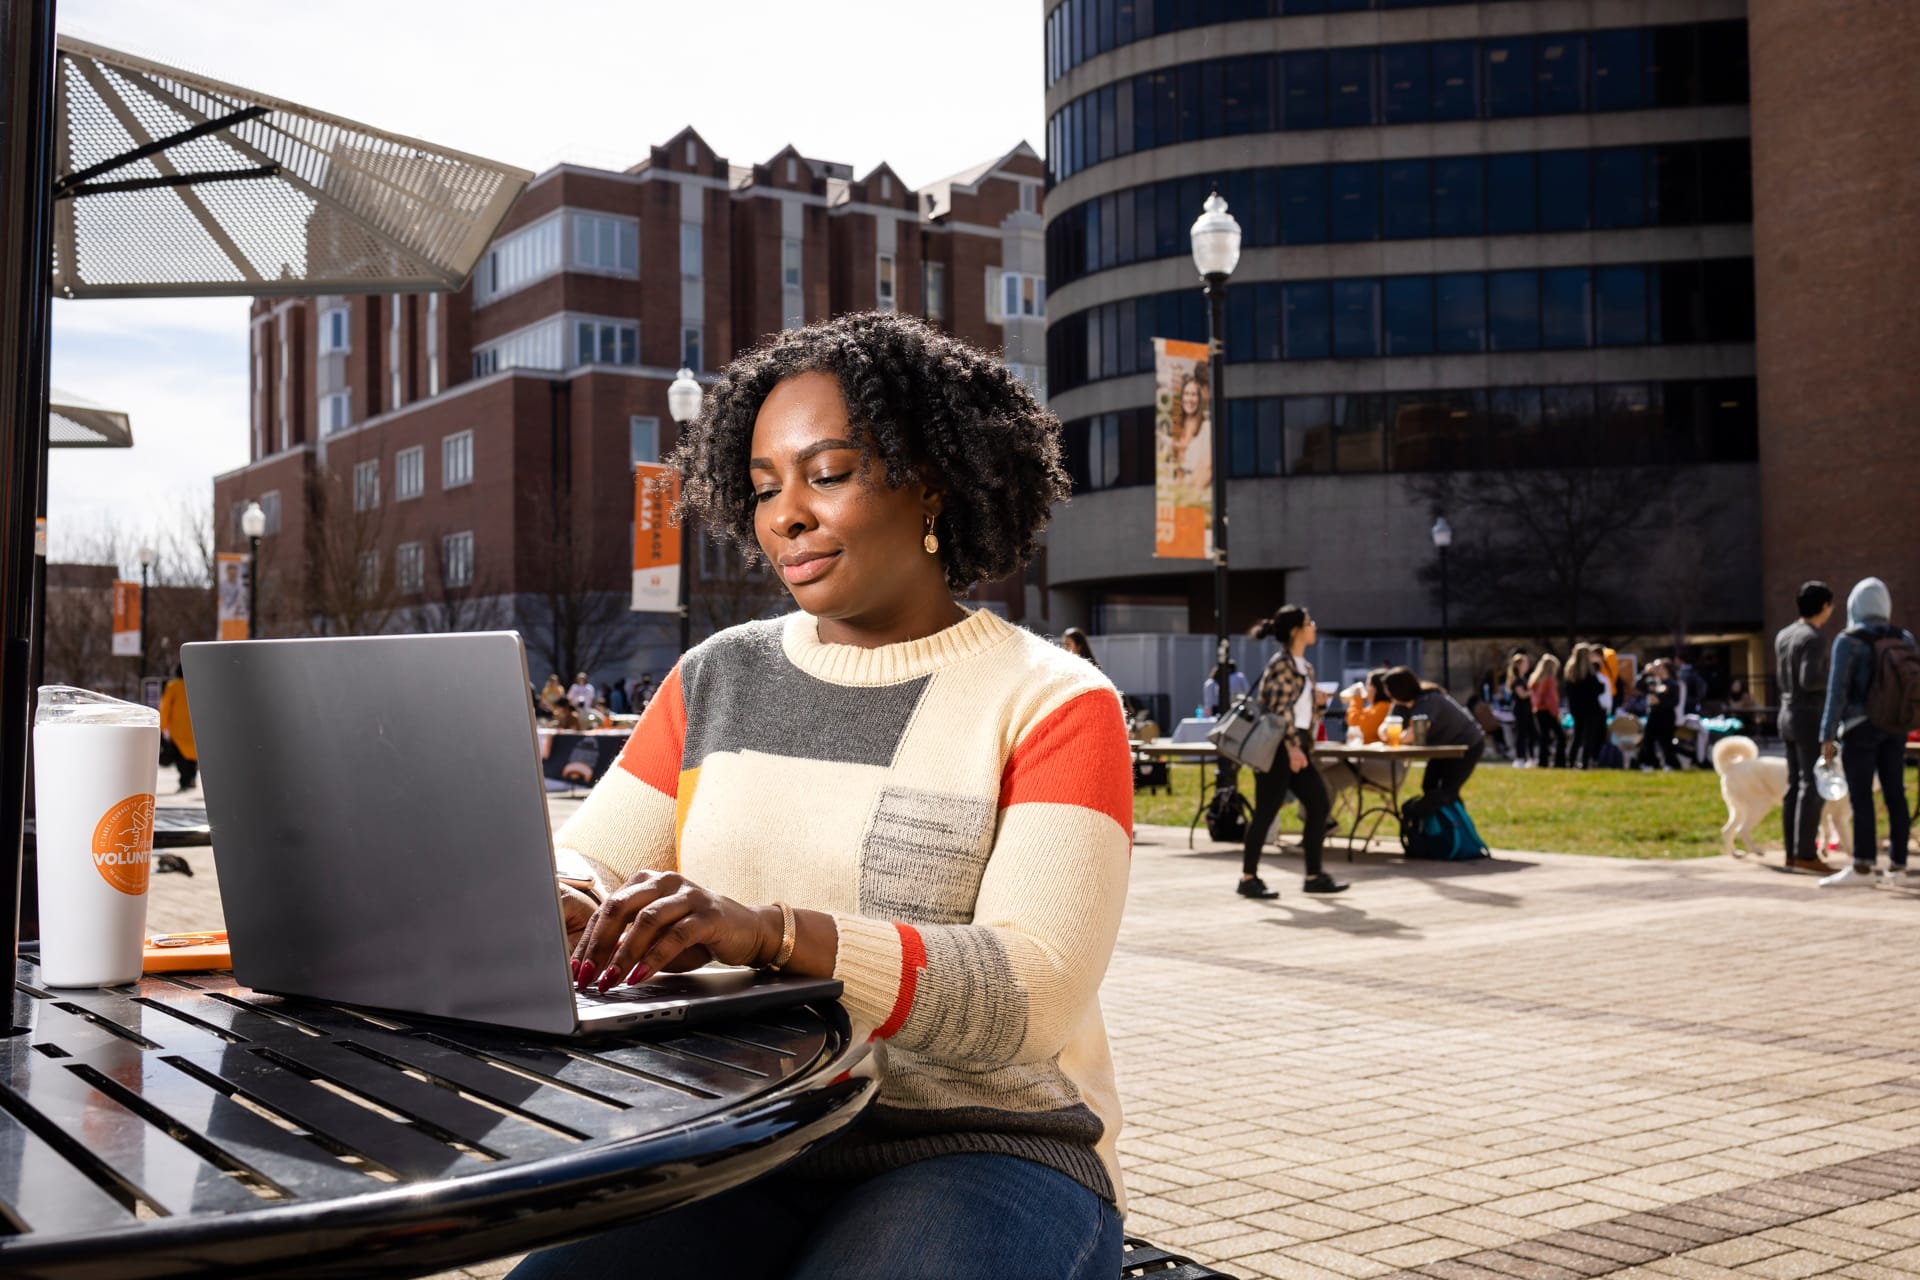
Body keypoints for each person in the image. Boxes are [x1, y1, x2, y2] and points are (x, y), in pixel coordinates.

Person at [515, 313, 1128, 1279]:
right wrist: (566, 896)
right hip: (734, 1134)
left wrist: (772, 932)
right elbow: (590, 851)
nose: (783, 516)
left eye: (826, 474)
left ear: (931, 480)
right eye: (763, 489)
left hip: (972, 1146)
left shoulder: (1052, 700)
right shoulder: (716, 676)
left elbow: (1033, 990)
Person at [1238, 605, 1345, 899]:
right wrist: (1293, 747)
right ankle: (1248, 878)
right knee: (1267, 811)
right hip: (1278, 748)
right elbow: (1278, 712)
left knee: (1319, 805)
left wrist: (1319, 703)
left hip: (1297, 745)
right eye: (1309, 622)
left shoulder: (1305, 667)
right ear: (1297, 630)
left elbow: (1300, 714)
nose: (1314, 626)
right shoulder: (1281, 665)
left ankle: (1314, 875)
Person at [1816, 577, 1916, 889]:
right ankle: (1898, 865)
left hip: (1860, 727)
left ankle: (1863, 865)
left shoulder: (1849, 640)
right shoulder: (1905, 637)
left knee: (1862, 798)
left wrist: (1827, 735)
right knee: (1895, 794)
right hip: (1896, 725)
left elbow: (1837, 693)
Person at [1775, 581, 1835, 874]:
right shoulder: (1814, 637)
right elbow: (1810, 679)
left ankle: (1791, 852)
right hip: (1808, 717)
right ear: (1824, 606)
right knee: (1812, 785)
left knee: (1794, 784)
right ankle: (1805, 853)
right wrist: (1836, 676)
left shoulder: (1784, 635)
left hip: (1786, 713)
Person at [1382, 667, 1485, 818]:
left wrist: (1395, 736)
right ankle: (1443, 828)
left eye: (1389, 691)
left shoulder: (1429, 700)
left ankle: (1420, 815)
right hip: (1443, 748)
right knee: (1429, 786)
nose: (1388, 696)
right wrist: (1387, 731)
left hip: (1467, 744)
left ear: (1398, 690)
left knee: (1447, 790)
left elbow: (1418, 731)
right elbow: (1385, 726)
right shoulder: (1400, 705)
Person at [1634, 660, 1683, 770]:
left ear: (1665, 669)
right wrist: (1645, 672)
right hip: (1653, 714)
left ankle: (1670, 764)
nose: (1656, 669)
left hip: (1666, 715)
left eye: (1658, 667)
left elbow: (1675, 702)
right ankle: (1651, 763)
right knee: (1648, 740)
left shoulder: (1672, 684)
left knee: (1665, 741)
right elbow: (1638, 685)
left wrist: (1660, 701)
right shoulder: (1653, 681)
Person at [1564, 644, 1606, 769]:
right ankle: (1585, 762)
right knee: (1589, 736)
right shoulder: (1589, 672)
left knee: (1577, 736)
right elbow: (1597, 689)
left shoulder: (1570, 671)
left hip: (1576, 708)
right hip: (1591, 708)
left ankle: (1571, 761)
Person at [157, 664, 197, 792]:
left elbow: (166, 707)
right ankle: (191, 777)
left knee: (181, 756)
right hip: (195, 726)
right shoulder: (197, 685)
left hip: (178, 727)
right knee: (193, 754)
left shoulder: (173, 686)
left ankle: (185, 780)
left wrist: (161, 726)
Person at [1529, 653, 1566, 768]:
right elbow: (1552, 698)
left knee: (1544, 737)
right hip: (1548, 710)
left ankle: (1543, 761)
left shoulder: (1535, 679)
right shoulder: (1549, 679)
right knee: (1561, 736)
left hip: (1538, 710)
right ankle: (1559, 762)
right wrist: (1556, 712)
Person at [1504, 651, 1535, 768]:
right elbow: (1522, 694)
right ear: (1518, 665)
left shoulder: (1524, 679)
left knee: (1530, 733)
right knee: (1521, 734)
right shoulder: (1516, 680)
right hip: (1520, 709)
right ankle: (1520, 758)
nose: (1527, 665)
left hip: (1527, 709)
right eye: (1525, 663)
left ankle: (1530, 757)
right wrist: (1534, 691)